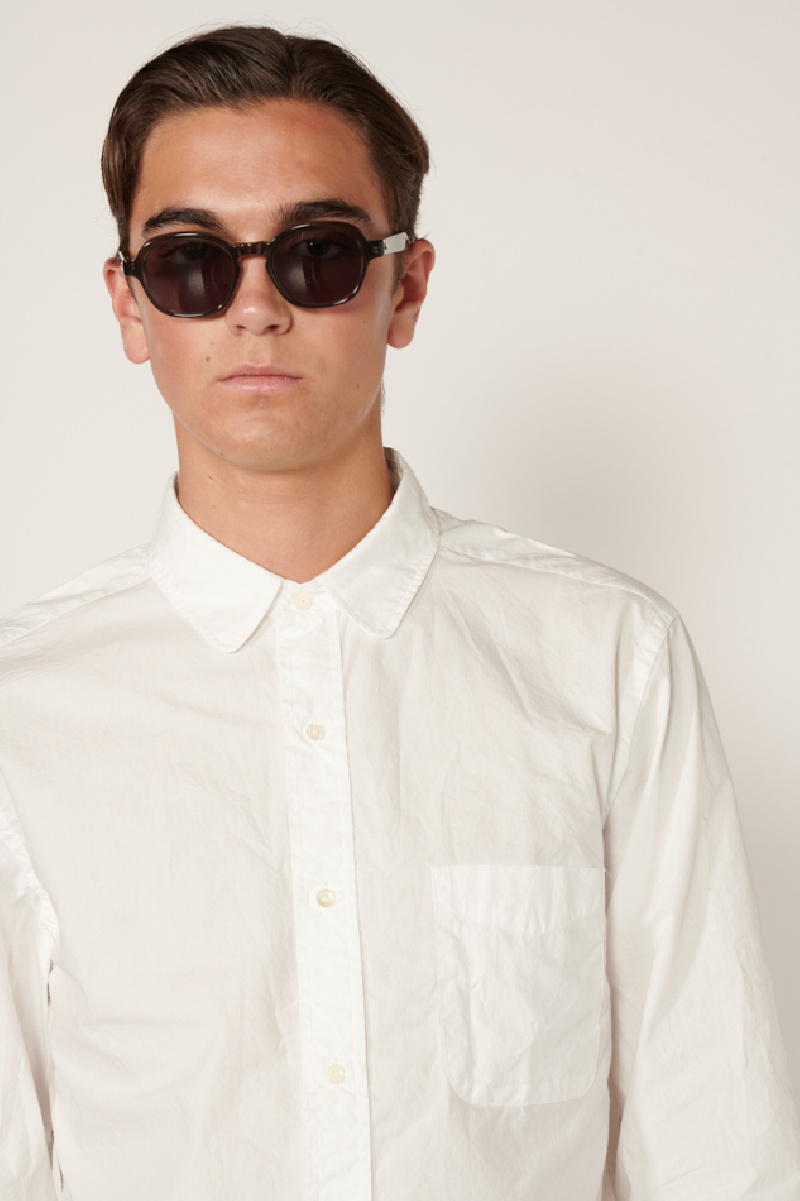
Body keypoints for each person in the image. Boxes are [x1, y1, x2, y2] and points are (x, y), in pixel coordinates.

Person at [0, 23, 798, 1201]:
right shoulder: (25, 710)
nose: (255, 307)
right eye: (190, 262)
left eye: (316, 254)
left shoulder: (605, 659)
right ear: (129, 304)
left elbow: (712, 1145)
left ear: (404, 285)